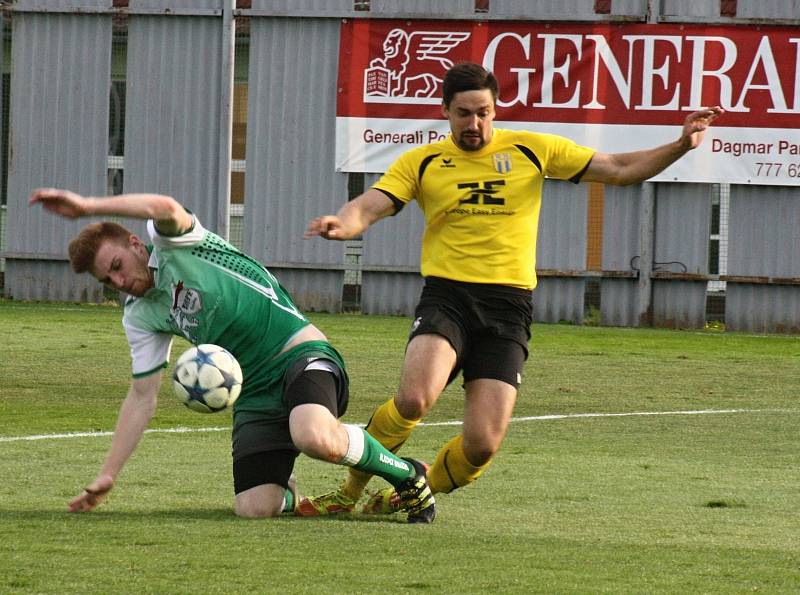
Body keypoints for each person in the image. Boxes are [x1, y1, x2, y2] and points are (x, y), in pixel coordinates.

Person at [299, 62, 724, 516]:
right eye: (464, 113)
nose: (474, 124)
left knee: (482, 445)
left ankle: (403, 494)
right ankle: (348, 492)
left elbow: (620, 169)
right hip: (448, 296)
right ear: (445, 111)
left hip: (508, 307)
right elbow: (372, 204)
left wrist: (681, 144)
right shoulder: (422, 162)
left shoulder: (530, 150)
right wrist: (344, 223)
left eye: (483, 112)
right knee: (415, 397)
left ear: (495, 109)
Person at [28, 188, 436, 523]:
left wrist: (86, 207)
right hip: (252, 393)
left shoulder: (176, 243)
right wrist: (107, 475)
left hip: (300, 354)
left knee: (312, 436)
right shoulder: (140, 316)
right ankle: (307, 496)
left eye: (117, 265)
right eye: (108, 280)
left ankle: (408, 476)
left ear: (135, 244)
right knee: (254, 508)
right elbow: (141, 397)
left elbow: (163, 206)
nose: (120, 281)